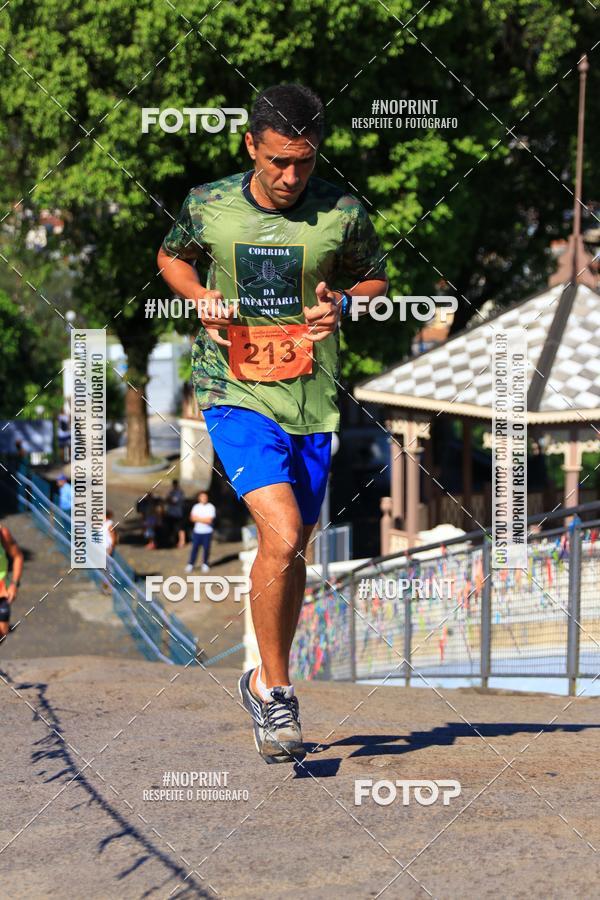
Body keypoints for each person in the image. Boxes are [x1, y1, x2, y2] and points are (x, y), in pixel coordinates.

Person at [158, 83, 388, 764]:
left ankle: (260, 679)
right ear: (251, 145)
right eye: (279, 161)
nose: (292, 177)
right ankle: (279, 692)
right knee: (282, 532)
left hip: (313, 401)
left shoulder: (342, 213)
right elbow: (173, 254)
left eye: (306, 163)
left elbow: (376, 279)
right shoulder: (208, 204)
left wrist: (345, 302)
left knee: (292, 553)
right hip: (232, 389)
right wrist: (200, 297)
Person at [0, 523, 24, 640]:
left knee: (3, 632)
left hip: (2, 590)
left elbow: (18, 556)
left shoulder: (3, 534)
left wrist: (14, 584)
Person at [186, 491, 215, 573]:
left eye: (205, 497)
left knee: (206, 549)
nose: (204, 498)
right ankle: (191, 564)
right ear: (199, 498)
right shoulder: (196, 507)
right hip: (197, 532)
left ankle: (205, 564)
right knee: (194, 548)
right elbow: (192, 518)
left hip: (207, 532)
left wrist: (198, 519)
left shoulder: (211, 507)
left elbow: (209, 520)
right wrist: (203, 519)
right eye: (202, 497)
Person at [165, 479, 186, 548]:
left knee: (180, 528)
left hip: (178, 513)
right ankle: (172, 541)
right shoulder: (172, 492)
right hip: (171, 513)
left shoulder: (179, 492)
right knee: (172, 528)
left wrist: (168, 497)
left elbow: (174, 500)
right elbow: (167, 500)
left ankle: (182, 542)